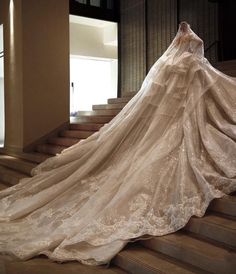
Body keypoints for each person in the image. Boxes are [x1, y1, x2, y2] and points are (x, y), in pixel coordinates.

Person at [0, 21, 235, 266]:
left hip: (168, 121)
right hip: (174, 121)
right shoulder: (192, 64)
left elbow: (154, 98)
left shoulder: (168, 64)